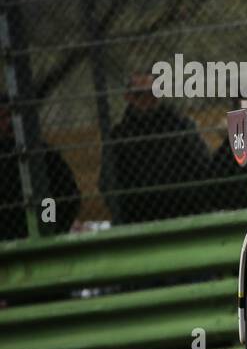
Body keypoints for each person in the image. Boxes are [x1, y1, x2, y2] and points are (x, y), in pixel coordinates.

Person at [99, 72, 211, 225]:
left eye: (153, 93)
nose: (147, 99)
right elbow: (108, 181)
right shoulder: (119, 136)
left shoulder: (181, 126)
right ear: (128, 97)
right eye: (140, 94)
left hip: (184, 211)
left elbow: (203, 165)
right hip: (138, 216)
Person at [0, 92, 80, 241]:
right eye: (3, 117)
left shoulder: (42, 152)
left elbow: (65, 194)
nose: (9, 122)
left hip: (42, 230)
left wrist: (49, 224)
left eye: (12, 115)